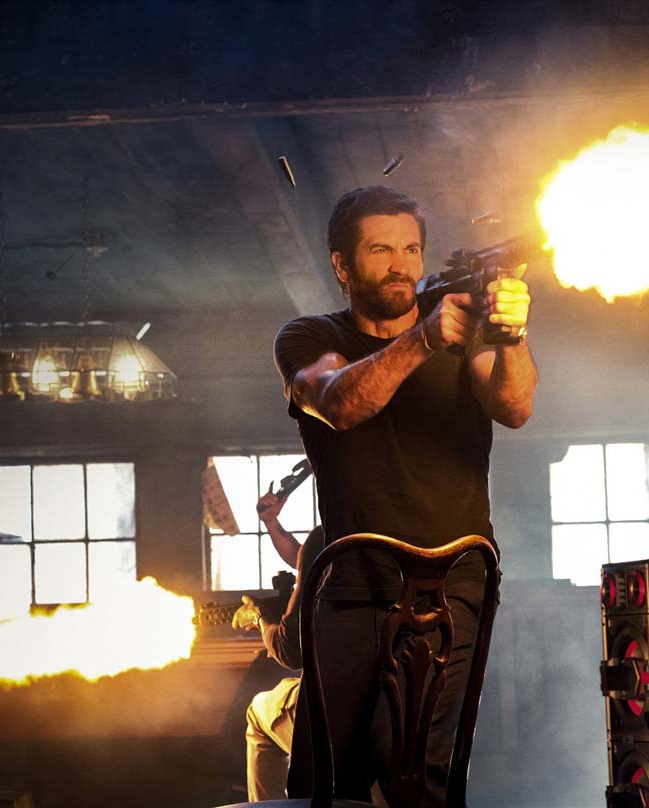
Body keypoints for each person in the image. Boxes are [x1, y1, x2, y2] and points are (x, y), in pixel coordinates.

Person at [272, 185, 536, 804]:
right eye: (381, 250)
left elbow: (514, 407)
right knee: (320, 781)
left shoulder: (461, 328)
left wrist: (512, 334)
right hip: (352, 585)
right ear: (342, 265)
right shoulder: (309, 336)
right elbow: (339, 402)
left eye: (411, 249)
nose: (401, 265)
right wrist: (422, 338)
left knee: (416, 774)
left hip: (453, 583)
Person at [233, 484, 324, 802]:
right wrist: (272, 524)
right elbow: (308, 560)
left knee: (258, 712)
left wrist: (260, 617)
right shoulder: (404, 533)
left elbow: (288, 650)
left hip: (334, 719)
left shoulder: (327, 538)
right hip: (408, 711)